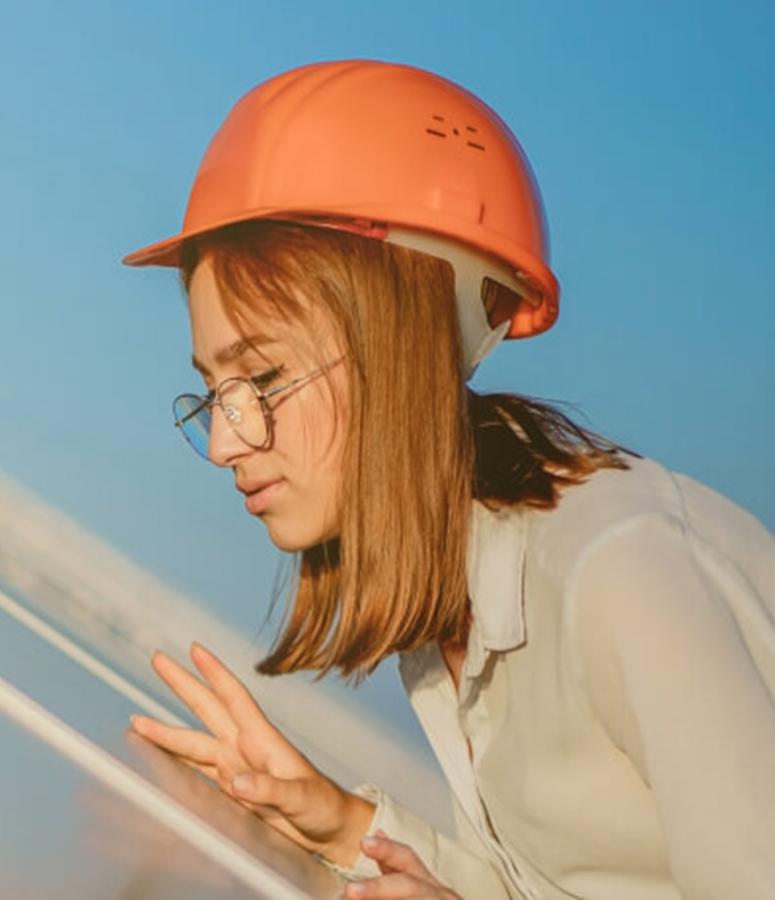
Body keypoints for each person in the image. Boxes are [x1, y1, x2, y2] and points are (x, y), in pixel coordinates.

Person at [123, 60, 775, 900]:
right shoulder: (454, 608)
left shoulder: (618, 571)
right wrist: (341, 825)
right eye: (214, 393)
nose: (224, 441)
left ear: (399, 346)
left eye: (261, 380)